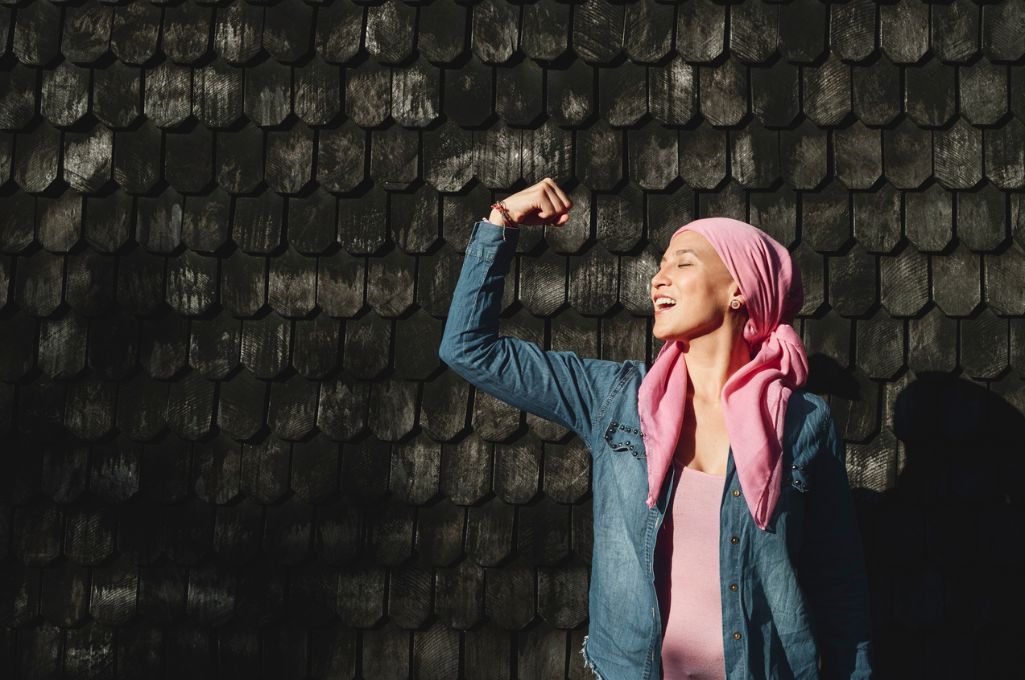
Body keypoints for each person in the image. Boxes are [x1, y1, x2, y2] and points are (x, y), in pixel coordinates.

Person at [438, 178, 874, 680]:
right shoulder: (615, 398)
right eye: (661, 265)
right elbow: (468, 348)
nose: (658, 278)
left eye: (682, 262)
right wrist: (503, 220)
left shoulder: (803, 423)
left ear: (739, 290)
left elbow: (839, 583)